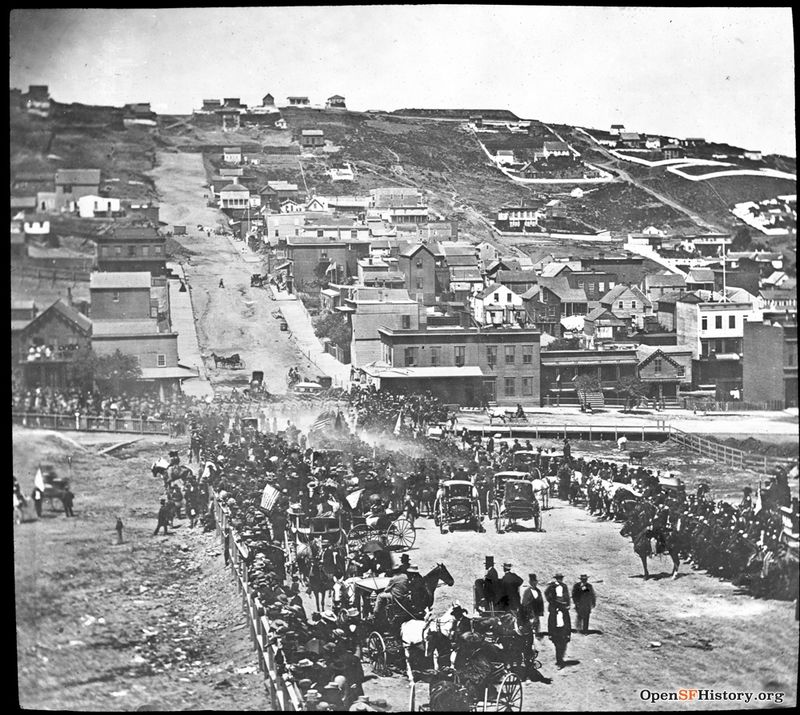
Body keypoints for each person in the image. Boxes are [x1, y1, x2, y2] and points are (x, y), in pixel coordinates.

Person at [548, 597, 572, 669]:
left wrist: (568, 634)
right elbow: (550, 624)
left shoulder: (565, 613)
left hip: (563, 631)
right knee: (557, 647)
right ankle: (559, 661)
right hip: (555, 631)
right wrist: (550, 634)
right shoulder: (552, 613)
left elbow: (568, 624)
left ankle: (560, 660)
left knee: (562, 647)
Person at [519, 573, 545, 638]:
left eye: (535, 582)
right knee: (529, 628)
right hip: (528, 613)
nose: (534, 584)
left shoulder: (538, 591)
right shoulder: (527, 591)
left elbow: (541, 602)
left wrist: (540, 612)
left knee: (536, 627)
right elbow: (524, 603)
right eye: (532, 582)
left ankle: (536, 636)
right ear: (530, 583)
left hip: (536, 613)